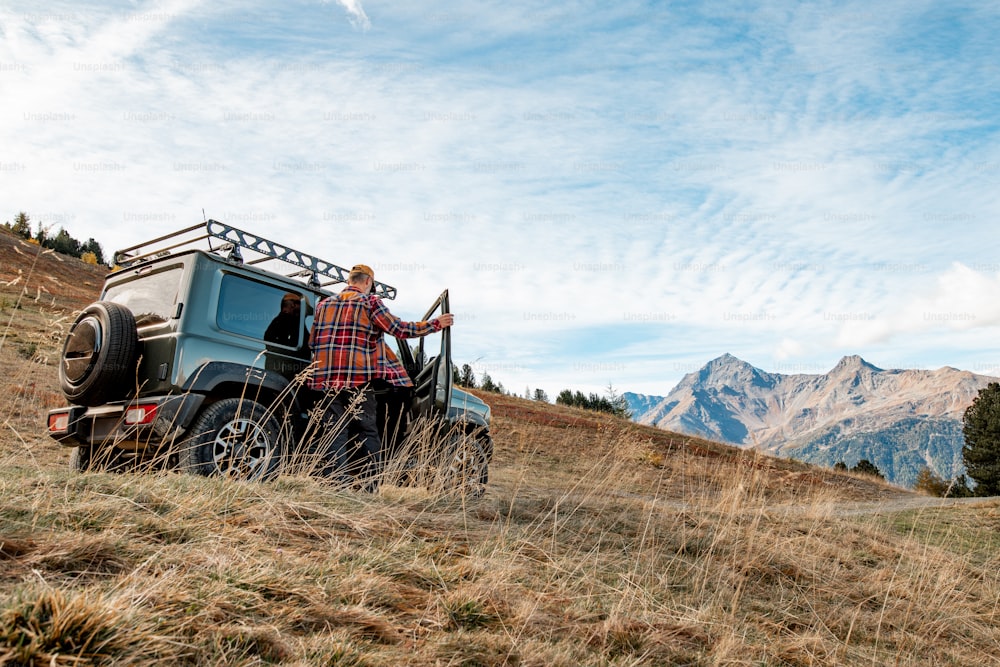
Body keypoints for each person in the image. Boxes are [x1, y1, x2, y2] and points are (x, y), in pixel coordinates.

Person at [307, 264, 453, 489]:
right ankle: (369, 484)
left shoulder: (323, 304)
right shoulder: (370, 302)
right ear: (368, 282)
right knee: (366, 429)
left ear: (350, 280)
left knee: (334, 430)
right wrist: (435, 324)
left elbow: (313, 341)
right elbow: (399, 329)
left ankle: (334, 484)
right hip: (357, 380)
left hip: (325, 380)